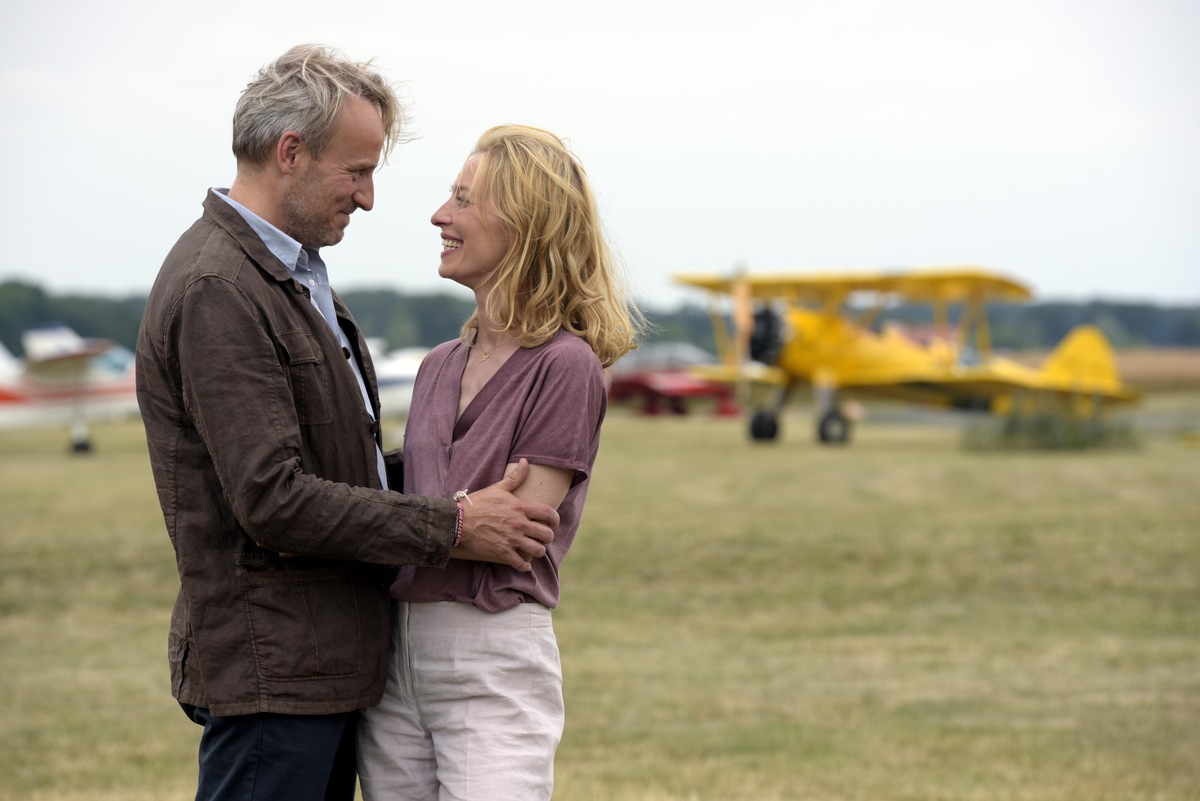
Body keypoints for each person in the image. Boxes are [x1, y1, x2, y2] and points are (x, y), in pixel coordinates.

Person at [135, 47, 560, 801]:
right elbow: (274, 498)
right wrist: (453, 524)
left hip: (316, 675)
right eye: (356, 172)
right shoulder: (220, 288)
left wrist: (450, 473)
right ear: (290, 153)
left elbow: (338, 470)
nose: (368, 198)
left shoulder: (289, 277)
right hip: (275, 678)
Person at [356, 124, 642, 800]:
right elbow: (469, 521)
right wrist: (456, 515)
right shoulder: (435, 367)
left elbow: (514, 531)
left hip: (491, 659)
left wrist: (410, 517)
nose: (439, 216)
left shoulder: (566, 366)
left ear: (524, 223)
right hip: (396, 662)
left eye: (462, 199)